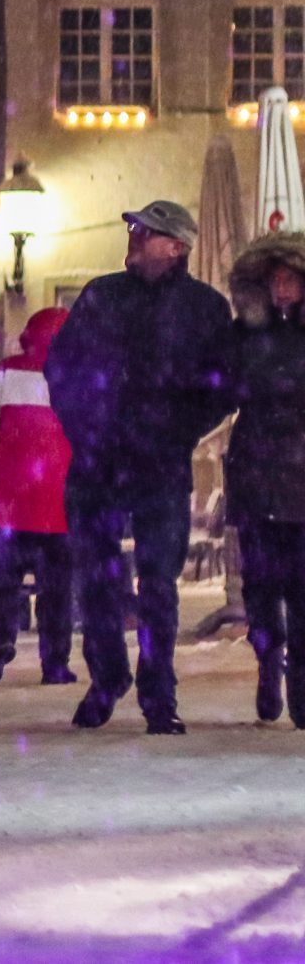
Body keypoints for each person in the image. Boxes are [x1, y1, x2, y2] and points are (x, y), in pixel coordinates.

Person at [45, 201, 233, 734]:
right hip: (98, 461)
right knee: (98, 579)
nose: (132, 236)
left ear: (175, 247)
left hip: (159, 463)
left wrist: (178, 430)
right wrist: (84, 426)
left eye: (144, 232)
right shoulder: (102, 295)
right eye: (133, 228)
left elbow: (222, 384)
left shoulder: (204, 309)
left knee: (158, 582)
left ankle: (158, 693)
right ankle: (107, 677)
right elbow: (62, 367)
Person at [223, 233, 305, 727]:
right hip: (256, 469)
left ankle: (300, 680)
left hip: (300, 476)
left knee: (301, 587)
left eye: (290, 277)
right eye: (273, 278)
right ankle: (267, 662)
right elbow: (221, 385)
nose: (282, 288)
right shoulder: (244, 335)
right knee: (260, 584)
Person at [0, 307, 76, 686]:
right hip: (61, 506)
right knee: (57, 589)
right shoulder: (80, 376)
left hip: (9, 501)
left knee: (0, 579)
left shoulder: (4, 373)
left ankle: (0, 639)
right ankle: (56, 662)